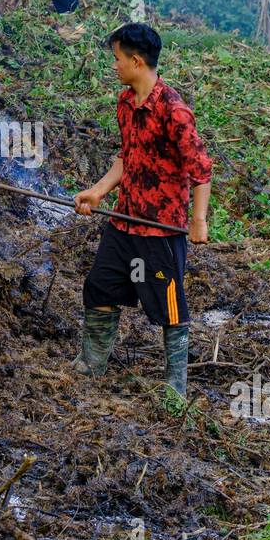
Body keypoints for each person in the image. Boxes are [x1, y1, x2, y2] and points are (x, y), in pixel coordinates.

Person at [71, 22, 213, 401]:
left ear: (136, 61)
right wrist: (99, 191)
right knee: (99, 286)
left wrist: (198, 220)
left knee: (168, 304)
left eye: (117, 59)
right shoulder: (125, 102)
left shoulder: (174, 111)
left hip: (160, 229)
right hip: (125, 220)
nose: (113, 66)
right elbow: (127, 157)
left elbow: (201, 170)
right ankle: (91, 364)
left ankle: (175, 387)